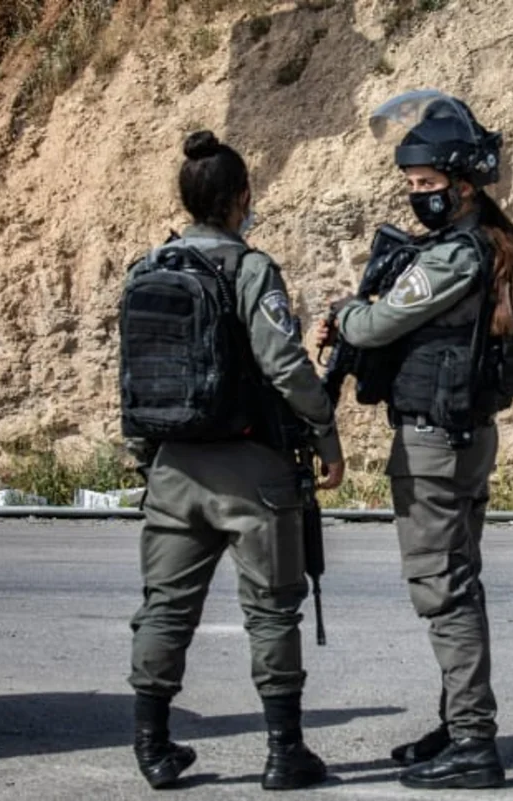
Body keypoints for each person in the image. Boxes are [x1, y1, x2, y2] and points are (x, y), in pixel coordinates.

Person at [317, 91, 513, 790]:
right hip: (465, 435)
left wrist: (348, 311)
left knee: (443, 588)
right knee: (457, 580)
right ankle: (455, 721)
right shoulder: (506, 250)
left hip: (434, 441)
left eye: (425, 186)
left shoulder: (459, 255)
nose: (415, 196)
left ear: (463, 186)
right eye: (411, 186)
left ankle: (473, 742)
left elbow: (375, 326)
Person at [122, 131, 344, 791]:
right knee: (272, 610)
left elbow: (134, 377)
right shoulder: (251, 271)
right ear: (241, 199)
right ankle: (284, 752)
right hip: (253, 469)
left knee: (164, 608)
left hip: (171, 467)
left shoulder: (147, 269)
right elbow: (285, 364)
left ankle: (153, 745)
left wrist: (146, 459)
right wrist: (325, 431)